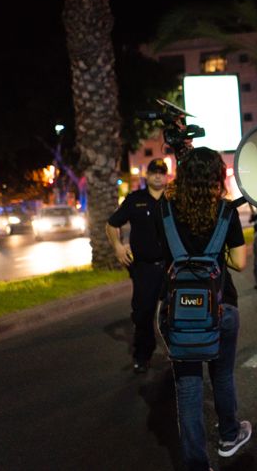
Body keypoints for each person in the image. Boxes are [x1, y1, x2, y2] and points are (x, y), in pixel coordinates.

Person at [161, 147, 251, 470]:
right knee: (222, 374)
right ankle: (229, 435)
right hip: (221, 306)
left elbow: (163, 257)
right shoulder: (225, 212)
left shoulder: (166, 211)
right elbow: (240, 262)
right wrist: (214, 256)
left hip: (178, 311)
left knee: (187, 384)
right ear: (217, 177)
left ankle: (196, 464)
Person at [106, 158, 169, 374]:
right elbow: (112, 224)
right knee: (143, 314)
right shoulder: (135, 200)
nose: (158, 175)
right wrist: (118, 246)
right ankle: (143, 355)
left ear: (167, 174)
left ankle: (178, 352)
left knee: (178, 313)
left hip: (172, 267)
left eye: (162, 171)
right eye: (154, 172)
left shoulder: (175, 199)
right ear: (147, 175)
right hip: (145, 268)